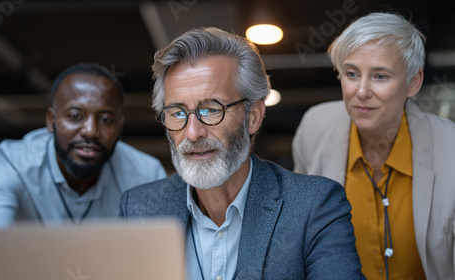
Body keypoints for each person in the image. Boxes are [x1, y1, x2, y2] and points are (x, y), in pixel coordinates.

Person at [120, 27, 365, 279]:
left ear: (254, 117)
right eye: (177, 112)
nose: (193, 133)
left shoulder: (315, 205)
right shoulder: (139, 210)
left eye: (211, 109)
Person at [292, 12, 455, 280]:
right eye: (352, 73)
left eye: (380, 76)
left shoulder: (450, 146)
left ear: (413, 82)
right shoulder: (315, 128)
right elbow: (300, 238)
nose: (362, 91)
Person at [0, 63, 167, 228]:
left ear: (119, 126)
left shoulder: (147, 176)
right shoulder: (13, 164)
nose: (90, 131)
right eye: (75, 116)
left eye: (106, 119)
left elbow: (159, 256)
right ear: (51, 120)